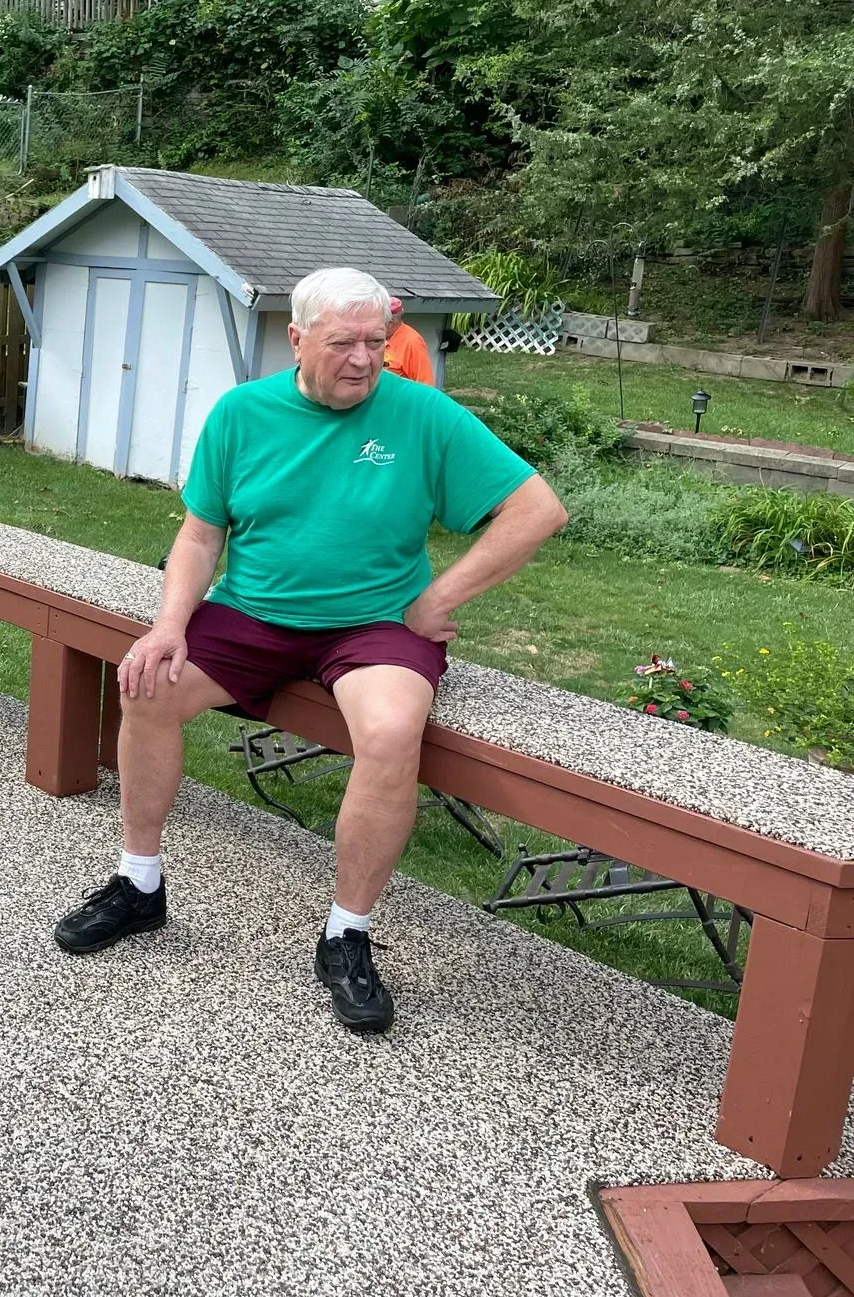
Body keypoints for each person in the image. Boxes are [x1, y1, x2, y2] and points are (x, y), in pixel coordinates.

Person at [52, 267, 568, 1033]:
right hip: (255, 612)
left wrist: (436, 602)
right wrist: (169, 623)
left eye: (377, 341)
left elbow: (537, 509)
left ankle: (346, 933)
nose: (365, 359)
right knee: (148, 687)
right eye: (343, 343)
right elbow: (201, 533)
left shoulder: (422, 414)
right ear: (295, 340)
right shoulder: (242, 413)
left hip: (374, 625)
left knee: (392, 734)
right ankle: (139, 885)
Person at [384, 297, 436, 384]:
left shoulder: (412, 342)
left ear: (391, 323)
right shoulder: (378, 337)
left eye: (378, 321)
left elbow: (425, 384)